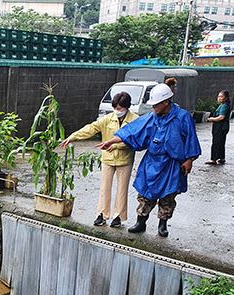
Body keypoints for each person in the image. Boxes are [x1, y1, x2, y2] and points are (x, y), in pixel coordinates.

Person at [97, 83, 201, 238]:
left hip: (172, 163)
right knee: (146, 193)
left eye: (156, 105)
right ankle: (141, 221)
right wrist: (112, 141)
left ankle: (162, 225)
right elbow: (132, 131)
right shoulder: (152, 118)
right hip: (152, 161)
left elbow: (191, 139)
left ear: (166, 102)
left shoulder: (182, 117)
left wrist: (190, 159)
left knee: (168, 196)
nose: (154, 108)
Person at [61, 92, 138, 227]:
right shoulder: (108, 118)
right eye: (115, 108)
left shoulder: (135, 120)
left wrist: (116, 146)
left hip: (125, 159)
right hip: (107, 158)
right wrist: (73, 136)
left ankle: (118, 216)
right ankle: (101, 214)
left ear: (127, 107)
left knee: (122, 189)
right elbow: (91, 128)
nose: (117, 111)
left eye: (120, 109)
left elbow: (136, 140)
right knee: (104, 187)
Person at [206, 90, 231, 165]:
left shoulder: (224, 106)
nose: (219, 98)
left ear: (226, 98)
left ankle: (213, 159)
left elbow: (221, 117)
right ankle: (221, 157)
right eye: (219, 96)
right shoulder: (223, 105)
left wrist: (211, 119)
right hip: (223, 126)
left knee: (216, 142)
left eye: (221, 96)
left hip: (220, 126)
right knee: (221, 142)